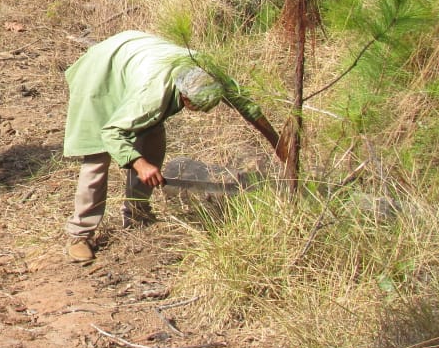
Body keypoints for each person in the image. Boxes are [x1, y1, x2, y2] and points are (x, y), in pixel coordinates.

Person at [62, 30, 286, 263]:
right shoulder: (152, 95)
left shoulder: (207, 72)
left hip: (137, 55)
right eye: (195, 107)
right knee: (98, 156)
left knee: (153, 140)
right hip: (102, 72)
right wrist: (140, 164)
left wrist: (278, 144)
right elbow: (112, 133)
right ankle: (80, 234)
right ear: (184, 96)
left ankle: (137, 214)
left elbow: (247, 105)